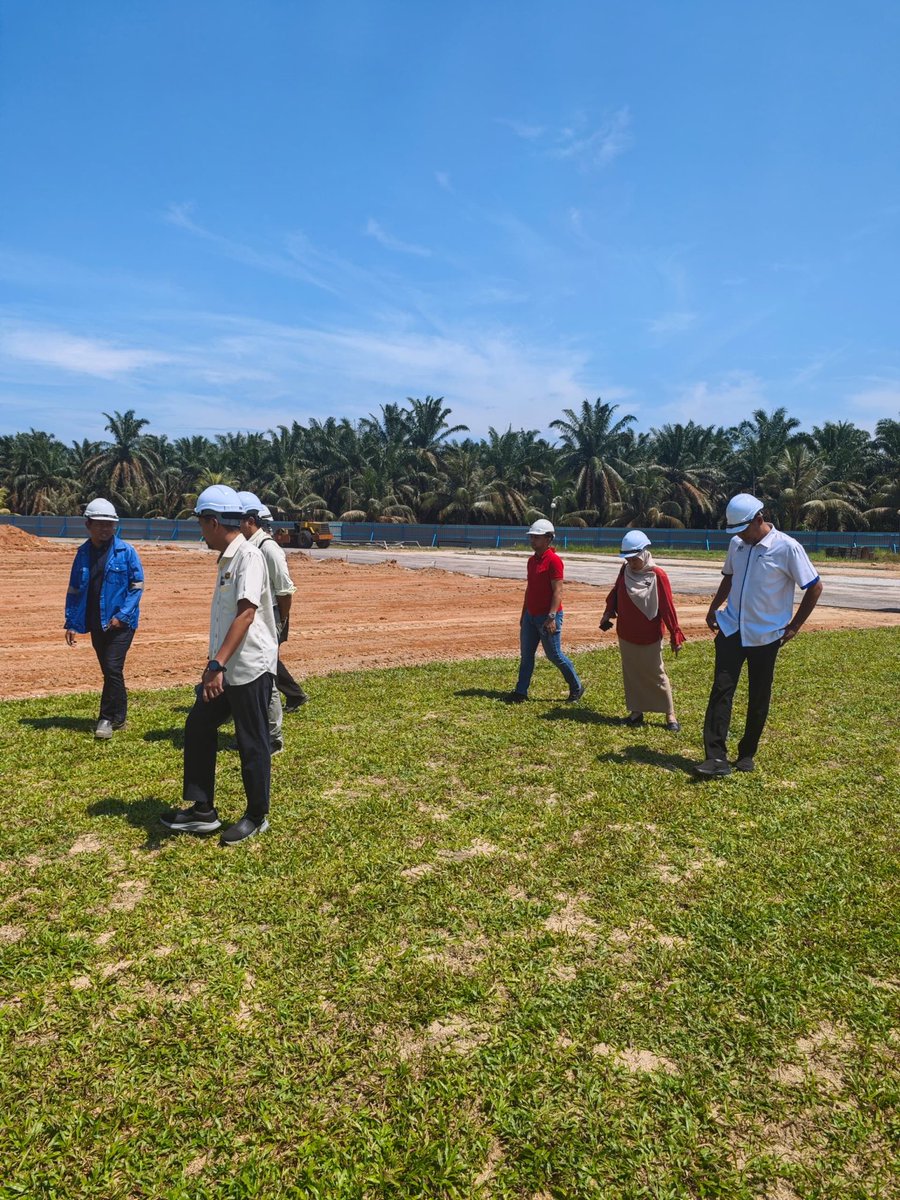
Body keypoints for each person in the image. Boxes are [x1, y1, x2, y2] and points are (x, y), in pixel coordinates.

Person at [160, 484, 279, 846]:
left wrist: (216, 664)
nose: (200, 532)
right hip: (226, 667)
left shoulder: (249, 557)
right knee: (198, 725)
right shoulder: (228, 557)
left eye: (200, 524)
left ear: (212, 522)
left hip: (248, 666)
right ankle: (202, 811)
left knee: (252, 741)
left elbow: (246, 614)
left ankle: (256, 815)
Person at [696, 493, 823, 777]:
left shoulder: (787, 548)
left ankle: (747, 754)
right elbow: (729, 577)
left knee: (759, 694)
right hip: (731, 629)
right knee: (721, 690)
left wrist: (794, 626)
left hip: (766, 636)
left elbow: (814, 586)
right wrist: (714, 608)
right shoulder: (737, 544)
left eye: (744, 529)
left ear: (759, 519)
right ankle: (715, 758)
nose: (740, 535)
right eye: (736, 531)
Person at [63, 498, 144, 739]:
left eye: (110, 524)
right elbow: (75, 589)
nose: (106, 529)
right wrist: (71, 622)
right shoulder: (83, 553)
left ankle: (106, 719)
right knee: (111, 672)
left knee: (112, 667)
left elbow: (136, 586)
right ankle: (119, 716)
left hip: (122, 623)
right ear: (88, 525)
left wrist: (122, 615)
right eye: (100, 524)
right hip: (96, 621)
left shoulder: (126, 552)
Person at [237, 492, 307, 755]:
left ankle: (272, 738)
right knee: (251, 675)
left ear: (251, 521)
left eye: (238, 519)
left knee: (266, 678)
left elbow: (285, 591)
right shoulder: (246, 547)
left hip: (271, 619)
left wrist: (280, 623)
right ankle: (254, 733)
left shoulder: (268, 549)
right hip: (253, 621)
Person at [599, 530, 684, 731]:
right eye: (628, 559)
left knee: (656, 673)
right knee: (632, 673)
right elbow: (616, 592)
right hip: (626, 632)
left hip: (649, 634)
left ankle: (670, 714)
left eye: (635, 559)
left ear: (645, 553)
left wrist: (675, 633)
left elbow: (667, 606)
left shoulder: (658, 575)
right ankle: (636, 712)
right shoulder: (625, 570)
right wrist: (608, 612)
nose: (632, 563)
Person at [507, 519, 584, 703]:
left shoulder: (554, 561)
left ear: (548, 539)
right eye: (532, 537)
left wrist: (551, 617)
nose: (532, 540)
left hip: (547, 616)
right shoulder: (531, 561)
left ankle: (576, 686)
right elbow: (530, 588)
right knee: (526, 656)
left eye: (536, 537)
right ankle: (521, 691)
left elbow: (558, 591)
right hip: (530, 616)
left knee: (555, 655)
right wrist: (523, 614)